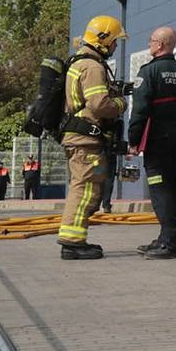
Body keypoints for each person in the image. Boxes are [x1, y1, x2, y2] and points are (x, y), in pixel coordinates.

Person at [57, 15, 129, 260]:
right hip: (85, 139)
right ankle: (73, 242)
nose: (115, 46)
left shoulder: (80, 62)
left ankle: (75, 240)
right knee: (85, 188)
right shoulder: (93, 67)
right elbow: (99, 105)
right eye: (114, 41)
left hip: (79, 137)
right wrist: (121, 103)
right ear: (103, 40)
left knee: (84, 187)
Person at [129, 27, 176, 259]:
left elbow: (140, 110)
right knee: (174, 186)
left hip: (158, 140)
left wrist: (133, 139)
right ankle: (169, 237)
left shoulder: (149, 72)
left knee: (159, 188)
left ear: (161, 45)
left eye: (152, 41)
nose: (149, 44)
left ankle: (170, 242)